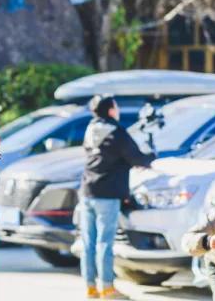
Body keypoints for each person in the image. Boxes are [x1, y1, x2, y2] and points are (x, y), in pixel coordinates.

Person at [79, 95, 156, 300]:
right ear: (111, 110)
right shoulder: (117, 132)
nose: (118, 110)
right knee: (104, 242)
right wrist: (151, 155)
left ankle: (90, 288)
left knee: (88, 242)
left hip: (87, 190)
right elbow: (138, 158)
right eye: (116, 107)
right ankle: (107, 288)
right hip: (108, 194)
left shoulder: (90, 129)